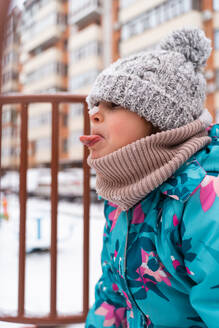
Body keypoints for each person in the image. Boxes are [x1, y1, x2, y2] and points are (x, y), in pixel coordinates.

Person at [79, 27, 219, 328]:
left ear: (159, 119)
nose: (94, 115)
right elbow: (114, 297)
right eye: (95, 106)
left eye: (113, 104)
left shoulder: (204, 201)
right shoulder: (122, 197)